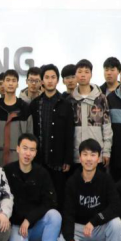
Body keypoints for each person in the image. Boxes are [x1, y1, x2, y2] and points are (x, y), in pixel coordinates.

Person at [63, 139, 121, 241]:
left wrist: (95, 220)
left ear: (99, 158)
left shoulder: (106, 180)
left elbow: (116, 207)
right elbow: (68, 213)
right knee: (62, 238)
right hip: (80, 228)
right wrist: (70, 239)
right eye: (85, 154)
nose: (89, 159)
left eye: (93, 155)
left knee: (116, 224)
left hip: (98, 226)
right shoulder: (72, 182)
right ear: (80, 158)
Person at [5, 134, 61, 241]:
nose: (28, 153)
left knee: (54, 215)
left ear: (35, 153)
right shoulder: (7, 171)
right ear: (18, 149)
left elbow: (50, 202)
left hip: (36, 225)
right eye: (25, 148)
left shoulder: (42, 173)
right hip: (17, 225)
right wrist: (18, 221)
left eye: (32, 150)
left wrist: (29, 219)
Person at [30, 64, 74, 210]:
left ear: (57, 80)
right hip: (39, 159)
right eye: (47, 77)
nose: (50, 81)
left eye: (53, 77)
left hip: (58, 160)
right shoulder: (35, 104)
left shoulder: (65, 104)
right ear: (42, 80)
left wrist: (68, 159)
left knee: (58, 196)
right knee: (39, 195)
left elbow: (69, 133)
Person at [70, 59, 113, 171]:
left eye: (86, 72)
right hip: (77, 156)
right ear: (75, 75)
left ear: (91, 74)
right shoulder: (70, 100)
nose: (83, 75)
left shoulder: (101, 98)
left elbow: (107, 126)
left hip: (96, 155)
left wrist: (106, 151)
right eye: (79, 72)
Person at [0, 69, 33, 167]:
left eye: (13, 80)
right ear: (3, 83)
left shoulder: (24, 108)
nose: (10, 83)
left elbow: (30, 137)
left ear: (17, 84)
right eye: (8, 80)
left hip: (19, 159)